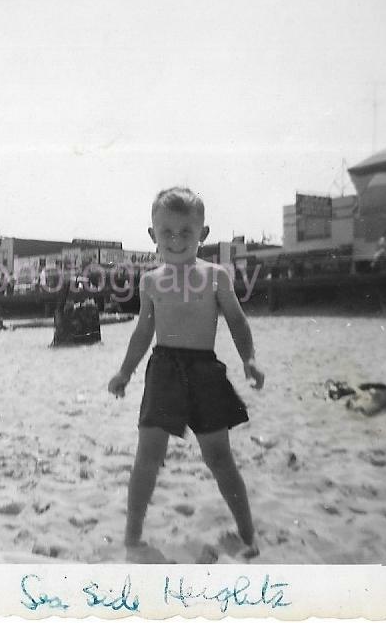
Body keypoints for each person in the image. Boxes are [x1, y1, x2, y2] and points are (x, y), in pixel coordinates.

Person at [107, 186, 265, 561]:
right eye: (167, 232)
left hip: (205, 371)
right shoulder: (150, 282)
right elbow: (143, 332)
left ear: (203, 235)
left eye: (186, 232)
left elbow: (238, 322)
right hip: (163, 372)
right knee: (148, 456)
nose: (176, 240)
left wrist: (250, 359)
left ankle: (247, 533)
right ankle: (133, 537)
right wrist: (125, 372)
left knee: (220, 458)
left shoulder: (215, 276)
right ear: (152, 235)